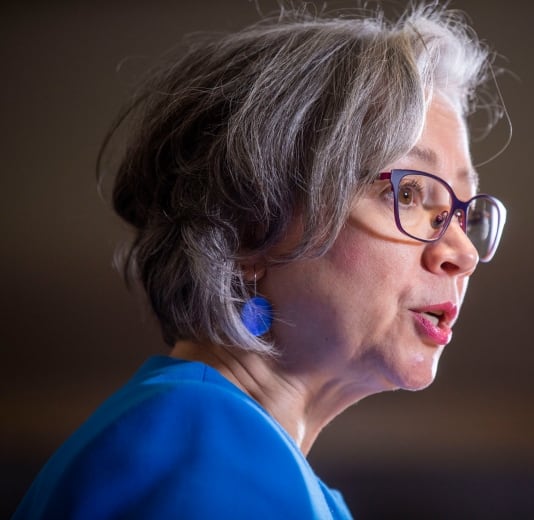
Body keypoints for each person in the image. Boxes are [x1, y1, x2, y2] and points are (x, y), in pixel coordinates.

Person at [14, 3, 507, 519]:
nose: (464, 253)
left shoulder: (249, 460)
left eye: (462, 212)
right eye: (409, 194)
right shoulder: (202, 446)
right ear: (250, 227)